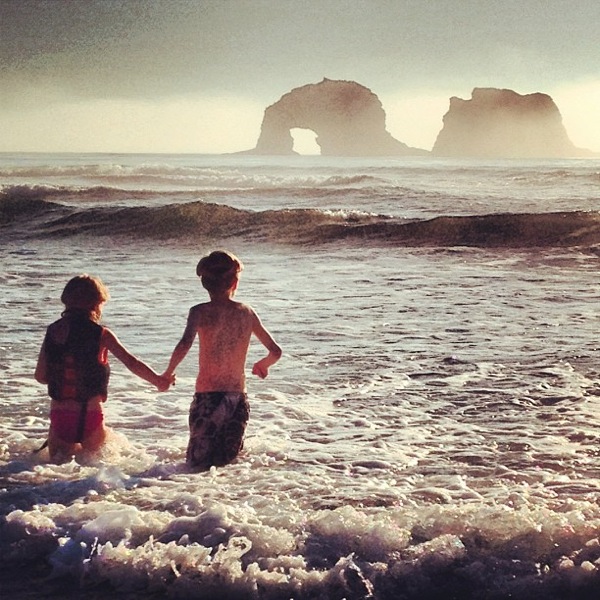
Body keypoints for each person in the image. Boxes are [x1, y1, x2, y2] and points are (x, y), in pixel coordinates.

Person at [35, 274, 173, 463]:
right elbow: (131, 362)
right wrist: (159, 380)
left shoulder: (53, 331)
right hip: (90, 415)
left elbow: (40, 376)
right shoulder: (102, 334)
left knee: (56, 477)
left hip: (61, 416)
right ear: (97, 303)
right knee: (92, 474)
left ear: (66, 301)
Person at [163, 250, 282, 470]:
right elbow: (275, 351)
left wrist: (168, 373)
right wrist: (262, 365)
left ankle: (196, 498)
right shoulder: (247, 313)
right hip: (237, 399)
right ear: (235, 283)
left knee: (197, 463)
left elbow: (184, 344)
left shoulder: (198, 312)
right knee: (227, 463)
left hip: (208, 399)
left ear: (205, 283)